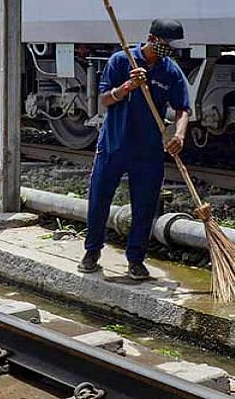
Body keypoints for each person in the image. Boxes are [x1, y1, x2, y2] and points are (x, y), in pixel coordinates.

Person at [79, 18, 191, 280]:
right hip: (114, 145)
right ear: (152, 39)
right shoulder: (122, 61)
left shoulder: (170, 70)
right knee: (99, 200)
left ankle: (136, 259)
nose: (171, 50)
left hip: (148, 148)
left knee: (145, 206)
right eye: (168, 44)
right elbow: (105, 100)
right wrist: (127, 87)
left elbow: (182, 108)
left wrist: (179, 135)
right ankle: (92, 251)